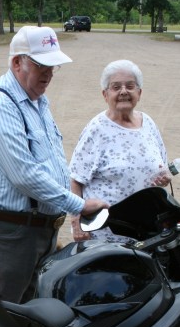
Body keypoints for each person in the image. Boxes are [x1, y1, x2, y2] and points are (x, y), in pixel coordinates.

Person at [0, 25, 109, 307]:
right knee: (0, 319)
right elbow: (24, 175)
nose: (48, 73)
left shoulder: (37, 101)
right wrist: (78, 205)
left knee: (32, 316)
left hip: (37, 232)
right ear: (16, 63)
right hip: (7, 235)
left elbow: (52, 162)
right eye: (40, 65)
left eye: (53, 66)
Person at [68, 59, 172, 242]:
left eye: (130, 86)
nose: (124, 91)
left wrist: (165, 177)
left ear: (139, 93)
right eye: (116, 87)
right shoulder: (97, 129)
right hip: (105, 236)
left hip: (146, 233)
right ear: (105, 94)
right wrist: (76, 221)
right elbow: (75, 179)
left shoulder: (148, 124)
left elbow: (162, 168)